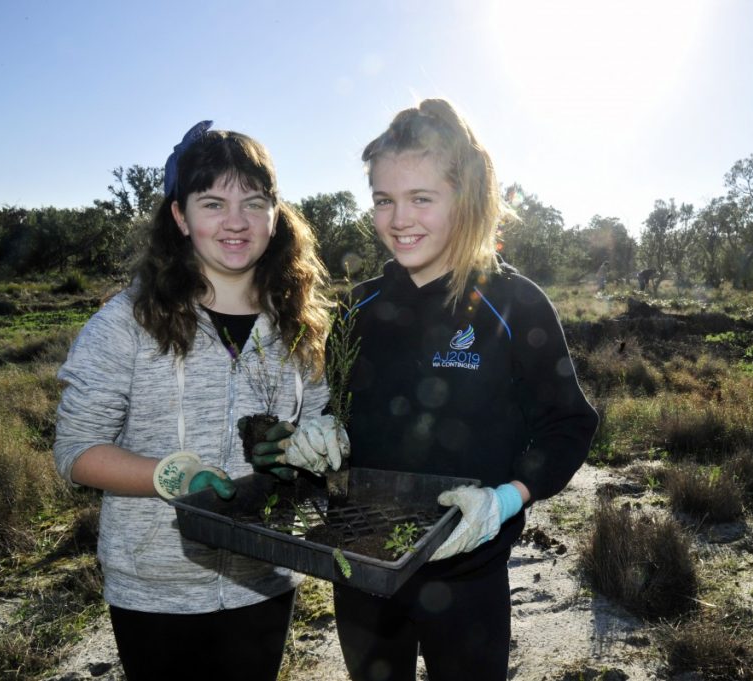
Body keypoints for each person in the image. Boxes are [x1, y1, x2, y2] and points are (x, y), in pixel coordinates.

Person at [255, 99, 598, 680]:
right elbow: (343, 410)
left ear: (465, 198)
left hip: (468, 573)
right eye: (383, 200)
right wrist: (324, 435)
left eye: (421, 198)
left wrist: (505, 500)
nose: (398, 219)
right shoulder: (358, 306)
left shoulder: (514, 304)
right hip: (361, 565)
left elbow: (568, 425)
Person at [53, 121, 342, 681]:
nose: (235, 221)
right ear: (181, 217)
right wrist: (175, 476)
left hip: (264, 577)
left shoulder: (302, 325)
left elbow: (321, 426)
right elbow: (77, 450)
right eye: (212, 203)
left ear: (275, 215)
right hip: (154, 588)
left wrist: (306, 452)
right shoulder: (126, 323)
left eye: (253, 203)